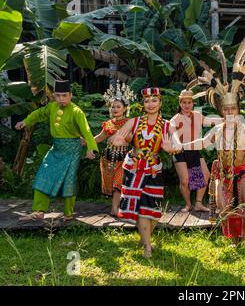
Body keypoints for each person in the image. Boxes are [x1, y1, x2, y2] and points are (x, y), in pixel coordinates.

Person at [181, 24, 245, 247]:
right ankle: (231, 237)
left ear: (238, 111)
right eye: (227, 109)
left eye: (234, 109)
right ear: (222, 111)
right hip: (222, 173)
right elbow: (203, 142)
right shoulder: (217, 129)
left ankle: (244, 238)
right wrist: (181, 145)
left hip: (242, 172)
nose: (230, 112)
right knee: (224, 206)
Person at [15, 80, 98, 222]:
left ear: (70, 95)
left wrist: (91, 147)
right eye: (58, 96)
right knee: (44, 173)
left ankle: (68, 214)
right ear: (54, 96)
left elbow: (86, 130)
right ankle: (39, 211)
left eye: (64, 95)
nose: (61, 99)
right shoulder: (51, 107)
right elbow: (38, 114)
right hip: (57, 148)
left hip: (72, 149)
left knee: (68, 180)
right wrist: (26, 121)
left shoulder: (77, 111)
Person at [112, 87, 180, 258]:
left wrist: (171, 148)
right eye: (147, 101)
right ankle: (147, 246)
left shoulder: (167, 125)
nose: (151, 104)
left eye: (154, 100)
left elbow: (178, 144)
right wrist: (121, 140)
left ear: (160, 102)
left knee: (154, 210)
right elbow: (116, 138)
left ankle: (145, 238)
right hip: (134, 169)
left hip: (153, 170)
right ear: (143, 103)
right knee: (142, 209)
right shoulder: (134, 122)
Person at [92, 81, 134, 216]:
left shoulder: (129, 123)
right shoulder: (109, 124)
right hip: (108, 158)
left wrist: (124, 137)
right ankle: (119, 207)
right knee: (113, 185)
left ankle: (114, 210)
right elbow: (99, 138)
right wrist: (84, 141)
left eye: (118, 106)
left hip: (123, 158)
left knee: (119, 182)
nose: (115, 109)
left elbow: (133, 139)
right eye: (113, 107)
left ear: (125, 108)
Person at [170, 87, 212, 213]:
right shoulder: (175, 119)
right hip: (180, 151)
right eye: (184, 102)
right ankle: (188, 204)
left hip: (194, 149)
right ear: (180, 103)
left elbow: (211, 121)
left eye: (189, 102)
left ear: (193, 103)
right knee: (185, 180)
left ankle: (198, 203)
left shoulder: (198, 115)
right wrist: (177, 143)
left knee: (205, 174)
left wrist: (227, 120)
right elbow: (174, 134)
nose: (186, 105)